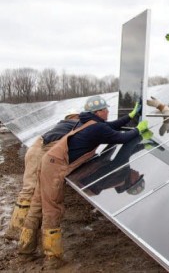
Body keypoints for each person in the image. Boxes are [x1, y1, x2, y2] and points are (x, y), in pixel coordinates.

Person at [18, 95, 149, 268]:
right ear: (99, 112)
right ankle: (52, 258)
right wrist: (138, 130)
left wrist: (130, 116)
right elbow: (121, 138)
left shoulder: (89, 122)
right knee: (52, 208)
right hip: (55, 167)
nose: (108, 111)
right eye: (106, 109)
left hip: (49, 162)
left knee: (37, 203)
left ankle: (26, 248)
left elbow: (111, 126)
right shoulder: (96, 128)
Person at [5, 110, 80, 240]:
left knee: (28, 190)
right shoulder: (74, 124)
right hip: (40, 154)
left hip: (34, 150)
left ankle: (16, 229)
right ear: (74, 117)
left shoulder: (61, 124)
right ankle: (17, 230)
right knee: (32, 192)